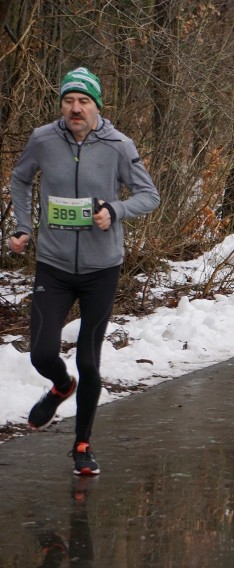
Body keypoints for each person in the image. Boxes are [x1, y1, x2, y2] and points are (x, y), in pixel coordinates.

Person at [9, 67, 160, 475]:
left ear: (97, 105)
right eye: (68, 100)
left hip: (101, 269)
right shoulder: (42, 139)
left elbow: (149, 195)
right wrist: (23, 225)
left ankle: (82, 445)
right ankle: (61, 386)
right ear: (61, 104)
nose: (75, 108)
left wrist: (115, 210)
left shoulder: (118, 145)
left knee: (90, 363)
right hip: (54, 265)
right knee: (42, 353)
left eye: (84, 101)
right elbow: (20, 180)